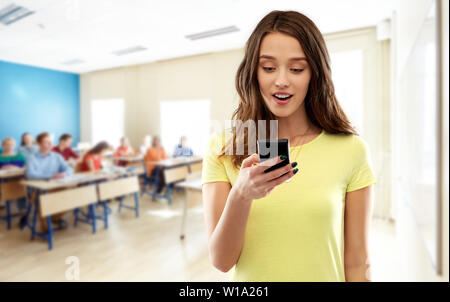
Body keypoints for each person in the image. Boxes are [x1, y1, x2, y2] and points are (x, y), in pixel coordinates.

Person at [202, 11, 376, 282]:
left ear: (314, 74)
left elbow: (357, 264)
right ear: (254, 73)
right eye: (269, 68)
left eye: (296, 68)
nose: (281, 80)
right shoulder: (223, 148)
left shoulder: (351, 150)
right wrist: (242, 195)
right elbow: (222, 262)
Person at [26, 132, 74, 232]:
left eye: (50, 142)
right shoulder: (32, 157)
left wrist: (65, 173)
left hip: (56, 186)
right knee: (44, 200)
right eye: (46, 142)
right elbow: (30, 175)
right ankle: (46, 227)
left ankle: (53, 218)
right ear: (38, 144)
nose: (49, 145)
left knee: (73, 196)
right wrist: (51, 176)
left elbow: (69, 169)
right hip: (38, 190)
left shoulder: (57, 156)